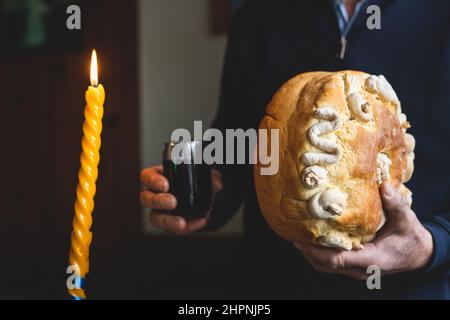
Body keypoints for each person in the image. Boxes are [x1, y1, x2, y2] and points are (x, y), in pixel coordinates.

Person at [140, 0, 449, 299]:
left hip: (412, 291)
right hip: (273, 285)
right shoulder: (258, 16)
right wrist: (206, 196)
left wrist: (433, 243)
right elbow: (237, 150)